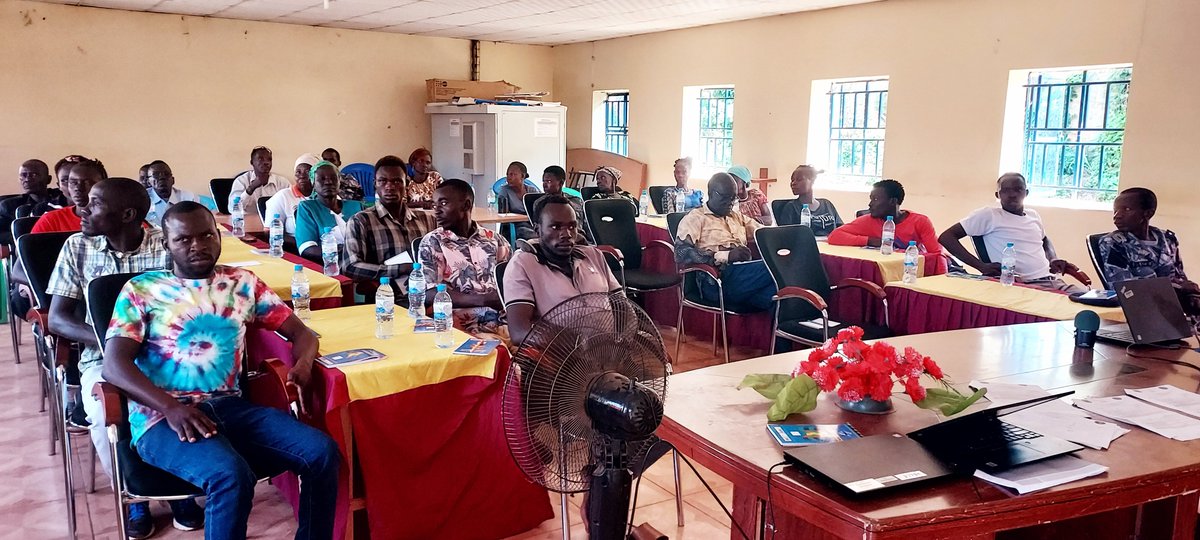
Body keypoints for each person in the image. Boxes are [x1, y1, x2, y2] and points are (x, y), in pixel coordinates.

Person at [101, 201, 339, 540]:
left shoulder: (242, 283)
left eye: (205, 236)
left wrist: (301, 365)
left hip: (231, 407)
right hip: (161, 417)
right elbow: (114, 365)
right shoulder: (143, 290)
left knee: (321, 452)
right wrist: (171, 408)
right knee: (230, 475)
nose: (197, 246)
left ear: (218, 236)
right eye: (183, 239)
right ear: (166, 243)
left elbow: (301, 334)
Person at [45, 178, 194, 538]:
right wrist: (115, 341)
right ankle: (135, 493)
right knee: (103, 414)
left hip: (165, 354)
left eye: (95, 204)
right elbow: (58, 318)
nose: (82, 208)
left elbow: (189, 302)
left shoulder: (167, 246)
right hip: (102, 359)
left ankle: (178, 488)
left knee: (194, 397)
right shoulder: (77, 246)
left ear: (127, 214)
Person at [504, 194, 623, 346]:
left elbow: (622, 305)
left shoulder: (593, 255)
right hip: (562, 361)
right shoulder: (523, 264)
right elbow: (519, 331)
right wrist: (577, 345)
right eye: (556, 227)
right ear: (537, 230)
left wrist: (624, 339)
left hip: (611, 351)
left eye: (572, 226)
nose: (566, 234)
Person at [937, 173, 1086, 291]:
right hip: (1018, 284)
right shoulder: (989, 215)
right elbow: (946, 237)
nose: (1012, 194)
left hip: (1050, 280)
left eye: (1017, 189)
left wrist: (1053, 258)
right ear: (998, 195)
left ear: (1026, 193)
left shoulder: (1033, 215)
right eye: (1006, 190)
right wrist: (980, 266)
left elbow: (1044, 240)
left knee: (1094, 300)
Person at [418, 179, 511, 340]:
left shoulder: (496, 241)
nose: (437, 211)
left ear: (466, 205)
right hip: (459, 327)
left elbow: (513, 282)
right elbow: (429, 293)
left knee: (547, 349)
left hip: (503, 322)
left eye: (444, 203)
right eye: (435, 205)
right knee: (499, 353)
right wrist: (482, 299)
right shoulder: (433, 242)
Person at [675, 173, 776, 312]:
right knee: (775, 268)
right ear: (711, 193)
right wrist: (726, 256)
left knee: (781, 296)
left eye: (733, 198)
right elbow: (681, 252)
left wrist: (787, 237)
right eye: (725, 197)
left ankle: (776, 332)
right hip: (716, 281)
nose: (730, 202)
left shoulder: (736, 216)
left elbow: (765, 234)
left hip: (743, 277)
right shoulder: (695, 218)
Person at [1098, 187, 1199, 325]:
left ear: (1148, 213)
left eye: (1126, 209)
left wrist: (1191, 293)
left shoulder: (1167, 240)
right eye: (1115, 210)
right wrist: (1178, 288)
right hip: (1142, 312)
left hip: (1176, 307)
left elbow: (1180, 276)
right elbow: (1124, 287)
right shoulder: (1113, 243)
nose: (1117, 215)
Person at [344, 155, 436, 297]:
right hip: (386, 299)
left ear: (407, 183)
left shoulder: (428, 219)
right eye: (383, 181)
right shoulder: (361, 221)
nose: (390, 187)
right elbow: (350, 267)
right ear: (375, 183)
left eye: (397, 181)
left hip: (428, 294)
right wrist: (399, 269)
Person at [831, 179, 947, 273]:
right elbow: (835, 236)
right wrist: (869, 240)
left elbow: (937, 254)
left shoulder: (920, 221)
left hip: (912, 272)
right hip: (885, 272)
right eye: (871, 199)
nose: (870, 204)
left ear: (893, 201)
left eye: (875, 199)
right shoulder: (869, 220)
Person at [294, 161, 365, 262]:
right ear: (313, 182)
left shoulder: (356, 206)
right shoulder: (308, 208)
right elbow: (306, 248)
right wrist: (342, 252)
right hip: (329, 265)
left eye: (333, 178)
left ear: (339, 181)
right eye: (322, 179)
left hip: (362, 261)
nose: (328, 182)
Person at [2, 159, 69, 244]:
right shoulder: (10, 206)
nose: (27, 179)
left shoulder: (61, 198)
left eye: (33, 175)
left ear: (48, 179)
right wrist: (24, 237)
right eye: (23, 175)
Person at [32, 158, 104, 234]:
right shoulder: (50, 220)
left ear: (103, 184)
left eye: (87, 182)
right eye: (73, 182)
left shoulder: (114, 219)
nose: (78, 188)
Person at [774, 165, 844, 236]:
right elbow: (785, 236)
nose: (793, 183)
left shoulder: (827, 204)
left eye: (799, 179)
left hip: (832, 245)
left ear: (812, 180)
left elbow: (842, 230)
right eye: (792, 180)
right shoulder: (791, 207)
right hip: (808, 246)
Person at [264, 153, 319, 235]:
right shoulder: (283, 196)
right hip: (292, 246)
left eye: (307, 172)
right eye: (298, 172)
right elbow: (269, 233)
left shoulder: (325, 195)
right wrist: (302, 243)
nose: (302, 176)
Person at [228, 146, 290, 214]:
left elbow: (293, 205)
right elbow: (232, 208)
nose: (266, 162)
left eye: (269, 159)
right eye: (261, 159)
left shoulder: (282, 182)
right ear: (252, 162)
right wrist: (251, 188)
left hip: (274, 222)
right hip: (248, 222)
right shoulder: (241, 181)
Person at [496, 161, 542, 240]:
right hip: (516, 226)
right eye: (507, 174)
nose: (508, 178)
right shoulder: (504, 190)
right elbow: (503, 213)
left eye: (512, 174)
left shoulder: (532, 190)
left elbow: (541, 208)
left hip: (533, 224)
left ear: (522, 176)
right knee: (528, 233)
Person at [145, 160, 198, 227]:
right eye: (155, 175)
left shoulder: (189, 198)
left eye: (166, 174)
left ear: (173, 180)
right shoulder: (143, 200)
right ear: (148, 182)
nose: (162, 177)